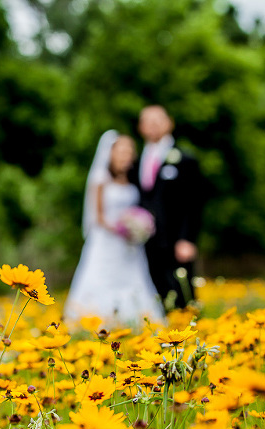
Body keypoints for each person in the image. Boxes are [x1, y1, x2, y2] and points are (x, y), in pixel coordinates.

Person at [64, 131, 165, 326]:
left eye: (129, 151)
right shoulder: (100, 178)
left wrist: (139, 226)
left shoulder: (133, 178)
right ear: (111, 153)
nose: (126, 155)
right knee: (100, 278)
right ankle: (97, 321)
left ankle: (137, 320)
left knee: (135, 279)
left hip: (130, 245)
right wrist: (121, 229)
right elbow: (98, 216)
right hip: (106, 240)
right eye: (121, 151)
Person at [130, 105, 206, 310]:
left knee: (182, 293)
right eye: (148, 121)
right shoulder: (135, 161)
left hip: (176, 240)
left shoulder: (185, 159)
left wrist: (187, 239)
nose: (153, 125)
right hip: (145, 242)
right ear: (141, 127)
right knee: (156, 295)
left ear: (169, 123)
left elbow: (195, 202)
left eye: (158, 120)